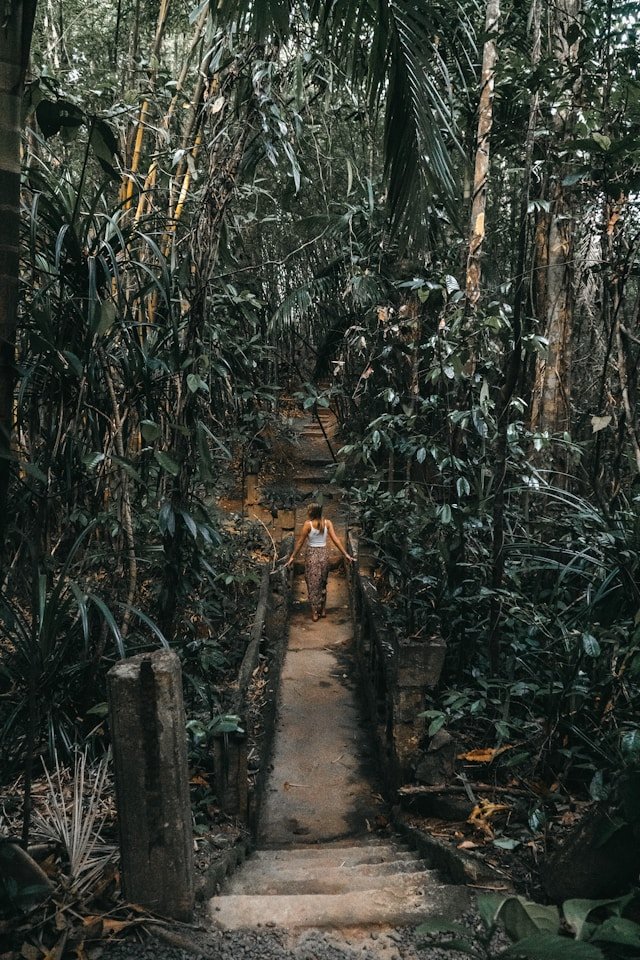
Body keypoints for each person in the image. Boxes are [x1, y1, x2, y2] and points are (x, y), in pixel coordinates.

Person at [285, 502, 355, 621]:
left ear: (312, 512)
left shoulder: (308, 524)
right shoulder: (327, 523)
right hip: (324, 555)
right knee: (323, 581)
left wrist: (292, 557)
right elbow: (336, 540)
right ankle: (322, 610)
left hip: (312, 555)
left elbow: (300, 542)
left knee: (312, 583)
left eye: (308, 510)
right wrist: (346, 554)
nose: (307, 512)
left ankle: (314, 612)